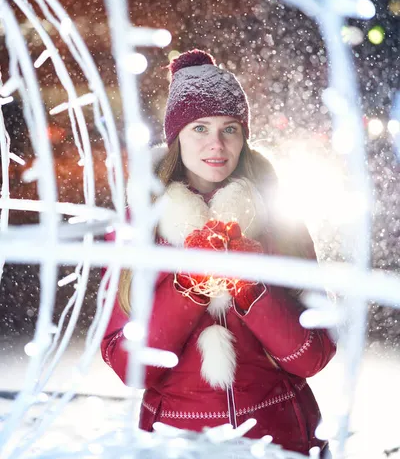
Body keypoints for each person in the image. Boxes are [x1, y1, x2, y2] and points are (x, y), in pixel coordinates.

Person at [101, 49, 336, 456]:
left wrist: (250, 289)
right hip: (176, 443)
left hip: (280, 440)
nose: (217, 144)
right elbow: (132, 368)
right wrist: (188, 287)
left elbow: (312, 357)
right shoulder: (137, 231)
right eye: (200, 128)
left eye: (230, 128)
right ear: (176, 137)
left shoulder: (281, 223)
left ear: (244, 137)